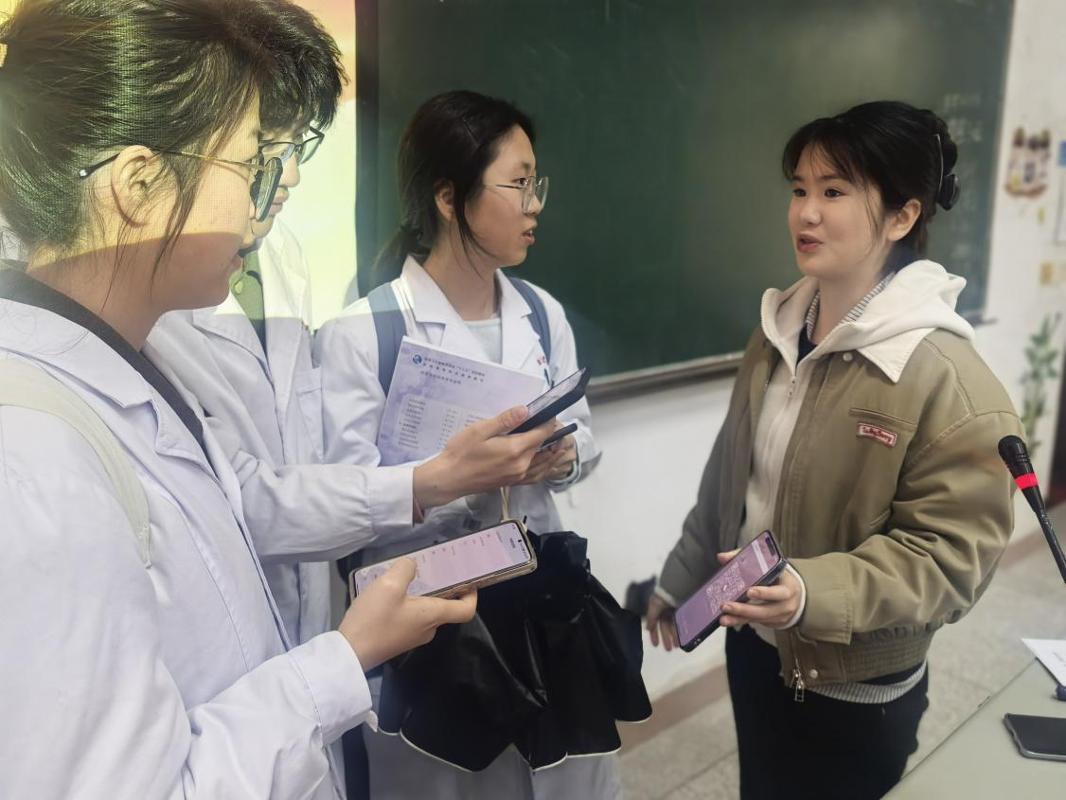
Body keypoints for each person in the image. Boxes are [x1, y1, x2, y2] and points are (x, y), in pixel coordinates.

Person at [0, 2, 477, 797]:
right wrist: (343, 659)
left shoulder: (130, 356)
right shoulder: (30, 462)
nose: (269, 197)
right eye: (255, 160)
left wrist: (424, 486)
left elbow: (235, 501)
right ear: (140, 185)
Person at [647, 100, 1023, 800]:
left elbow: (951, 560)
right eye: (799, 189)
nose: (806, 213)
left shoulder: (947, 379)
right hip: (755, 647)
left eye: (834, 191)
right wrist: (683, 579)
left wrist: (810, 594)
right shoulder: (777, 331)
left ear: (902, 216)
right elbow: (732, 474)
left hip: (856, 687)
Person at [313, 90, 615, 799]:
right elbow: (344, 502)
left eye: (536, 184)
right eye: (518, 184)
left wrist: (565, 456)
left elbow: (584, 433)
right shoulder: (365, 332)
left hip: (542, 601)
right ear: (449, 198)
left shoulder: (542, 312)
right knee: (451, 779)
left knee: (565, 777)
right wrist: (454, 476)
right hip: (431, 625)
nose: (534, 205)